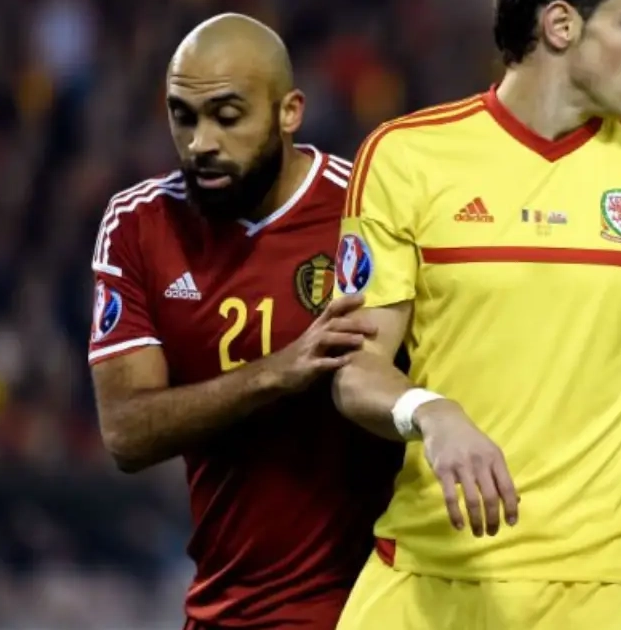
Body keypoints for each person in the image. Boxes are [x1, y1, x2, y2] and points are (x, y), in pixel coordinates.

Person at [330, 0, 621, 628]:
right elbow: (357, 369)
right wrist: (431, 412)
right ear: (560, 24)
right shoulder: (404, 156)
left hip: (594, 588)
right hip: (425, 571)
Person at [86, 14, 400, 629]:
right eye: (183, 117)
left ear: (290, 112)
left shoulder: (366, 210)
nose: (201, 142)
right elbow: (125, 432)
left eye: (227, 117)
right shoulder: (140, 226)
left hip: (368, 608)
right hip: (227, 609)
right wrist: (276, 373)